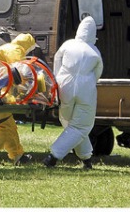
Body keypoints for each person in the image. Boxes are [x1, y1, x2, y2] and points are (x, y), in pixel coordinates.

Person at [43, 16, 103, 169]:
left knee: (70, 123)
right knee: (81, 126)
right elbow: (98, 73)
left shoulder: (68, 44)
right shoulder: (95, 52)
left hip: (65, 86)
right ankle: (53, 156)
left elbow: (57, 60)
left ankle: (86, 159)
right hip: (86, 89)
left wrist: (58, 79)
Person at [0, 33, 36, 166]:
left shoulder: (6, 48)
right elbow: (20, 70)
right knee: (3, 126)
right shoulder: (16, 50)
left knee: (8, 125)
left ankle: (18, 155)